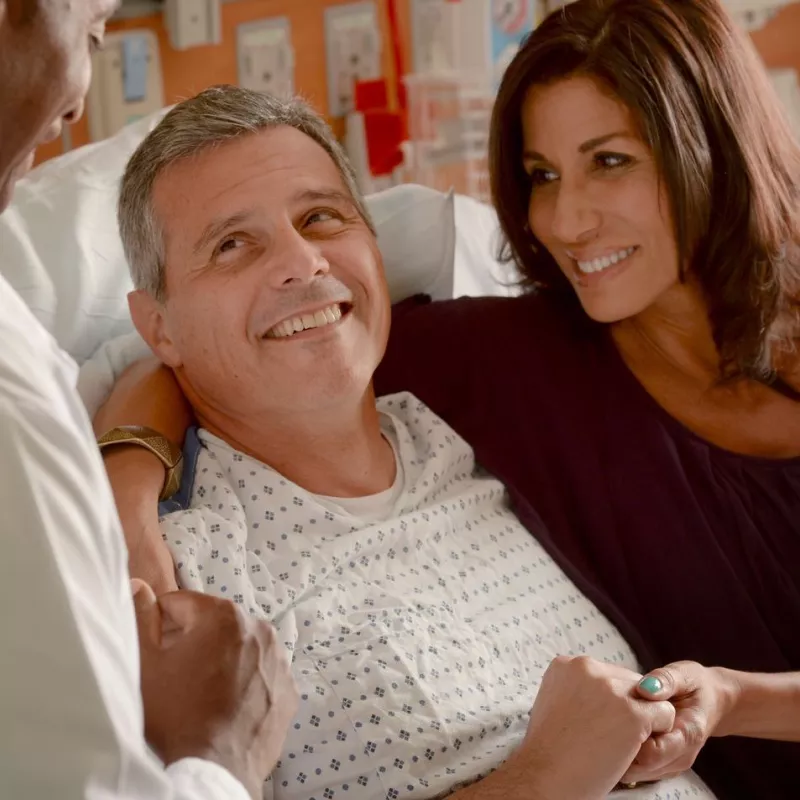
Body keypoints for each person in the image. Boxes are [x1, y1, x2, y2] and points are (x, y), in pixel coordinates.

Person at [94, 1, 800, 798]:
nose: (566, 219)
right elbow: (217, 353)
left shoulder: (448, 424)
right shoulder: (503, 366)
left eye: (610, 160)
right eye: (541, 176)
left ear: (712, 146)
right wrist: (120, 497)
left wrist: (736, 698)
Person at [0, 1, 297, 797]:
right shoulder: (196, 566)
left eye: (323, 216)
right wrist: (221, 749)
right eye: (92, 30)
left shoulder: (465, 395)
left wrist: (130, 460)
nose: (75, 101)